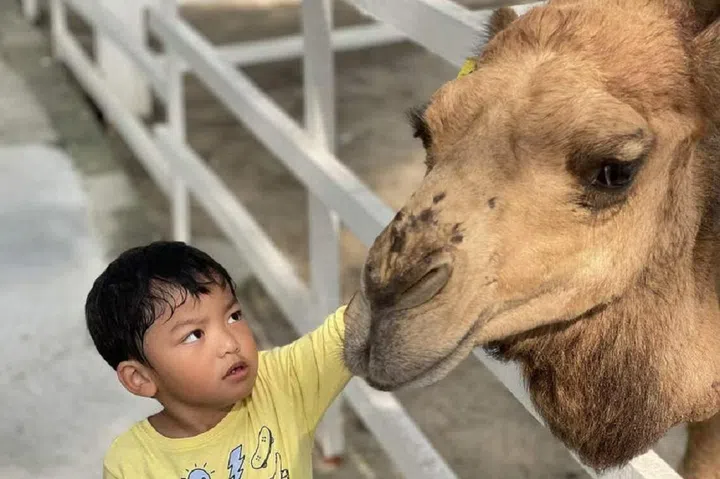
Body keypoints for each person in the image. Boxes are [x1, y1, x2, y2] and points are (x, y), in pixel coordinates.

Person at [85, 241, 351, 479]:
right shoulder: (131, 465)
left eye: (233, 316)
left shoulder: (281, 384)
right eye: (194, 335)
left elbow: (355, 325)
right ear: (140, 378)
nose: (229, 344)